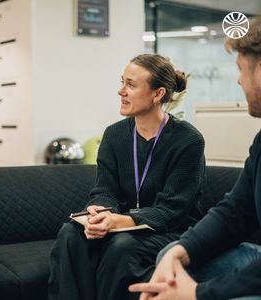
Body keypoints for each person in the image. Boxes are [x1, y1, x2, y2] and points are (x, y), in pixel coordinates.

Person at [48, 53, 206, 300]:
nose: (121, 91)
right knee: (70, 234)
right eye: (122, 82)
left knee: (121, 246)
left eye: (131, 85)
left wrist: (119, 222)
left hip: (170, 229)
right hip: (123, 224)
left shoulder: (188, 140)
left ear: (158, 94)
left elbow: (171, 210)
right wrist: (100, 213)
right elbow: (104, 190)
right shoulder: (114, 135)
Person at [129, 17, 261, 300]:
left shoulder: (186, 138)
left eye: (241, 70)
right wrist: (181, 249)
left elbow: (173, 207)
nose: (238, 80)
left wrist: (199, 294)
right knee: (170, 258)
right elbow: (235, 211)